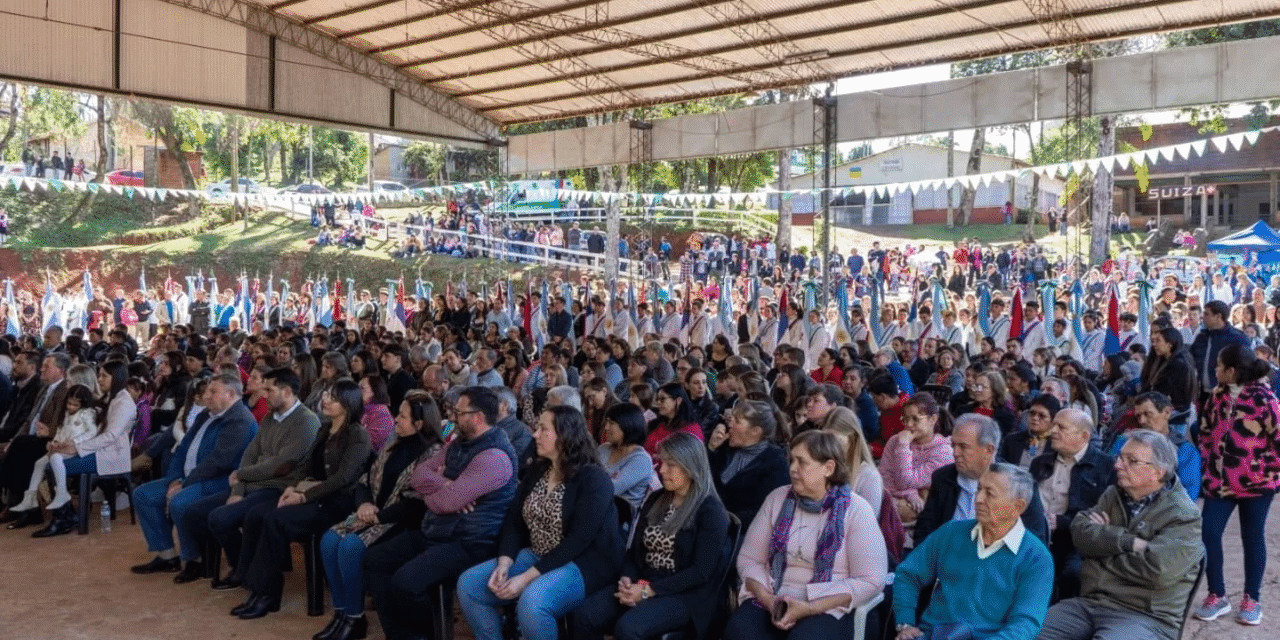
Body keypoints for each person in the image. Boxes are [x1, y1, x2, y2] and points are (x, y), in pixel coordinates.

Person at [363, 386, 519, 640]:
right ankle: (403, 634)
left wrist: (442, 490)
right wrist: (447, 484)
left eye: (459, 412)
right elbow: (418, 475)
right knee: (374, 560)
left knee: (406, 581)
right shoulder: (460, 443)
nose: (453, 417)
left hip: (471, 541)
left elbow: (444, 503)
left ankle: (425, 632)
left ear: (477, 417)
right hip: (438, 530)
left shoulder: (494, 457)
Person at [456, 405, 624, 640]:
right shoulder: (538, 469)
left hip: (583, 563)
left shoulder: (594, 479)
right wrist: (504, 563)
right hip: (539, 554)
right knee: (469, 586)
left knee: (533, 601)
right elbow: (515, 520)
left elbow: (579, 541)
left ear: (565, 435)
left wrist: (524, 579)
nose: (535, 434)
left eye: (543, 429)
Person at [1036, 430, 1202, 640]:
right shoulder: (1114, 495)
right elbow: (1079, 532)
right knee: (1026, 631)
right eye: (1120, 457)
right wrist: (1128, 542)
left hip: (1146, 616)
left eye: (1131, 461)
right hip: (1091, 603)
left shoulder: (1183, 514)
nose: (1117, 465)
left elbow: (1160, 572)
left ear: (1158, 472)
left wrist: (1100, 554)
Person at [229, 378, 371, 619]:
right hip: (314, 495)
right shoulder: (325, 428)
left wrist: (303, 496)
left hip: (337, 503)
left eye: (333, 398)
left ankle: (266, 594)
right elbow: (308, 466)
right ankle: (256, 587)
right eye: (326, 394)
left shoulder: (358, 435)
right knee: (257, 515)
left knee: (275, 520)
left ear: (347, 404)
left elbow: (343, 479)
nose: (325, 400)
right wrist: (292, 487)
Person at [727, 430, 888, 640]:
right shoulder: (777, 499)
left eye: (802, 462)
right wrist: (769, 600)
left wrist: (808, 608)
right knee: (739, 631)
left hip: (828, 606)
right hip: (773, 598)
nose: (792, 469)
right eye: (791, 460)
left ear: (829, 468)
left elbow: (871, 579)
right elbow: (749, 559)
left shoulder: (856, 510)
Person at [572, 432, 730, 640]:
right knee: (585, 615)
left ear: (692, 468)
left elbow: (700, 572)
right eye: (662, 462)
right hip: (644, 581)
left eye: (671, 464)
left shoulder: (710, 511)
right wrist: (627, 579)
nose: (661, 470)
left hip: (684, 594)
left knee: (628, 628)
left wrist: (648, 591)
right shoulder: (657, 498)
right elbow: (635, 551)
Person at [315, 391, 445, 640]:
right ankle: (341, 613)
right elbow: (365, 479)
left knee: (351, 547)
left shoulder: (433, 453)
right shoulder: (393, 444)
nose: (396, 419)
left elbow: (417, 503)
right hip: (373, 512)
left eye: (403, 416)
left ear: (419, 423)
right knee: (329, 540)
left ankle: (355, 619)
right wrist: (364, 503)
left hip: (402, 522)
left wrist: (379, 516)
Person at [894, 464, 1055, 640]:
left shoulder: (1037, 558)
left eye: (989, 493)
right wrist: (905, 622)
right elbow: (908, 575)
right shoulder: (951, 533)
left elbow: (1026, 624)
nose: (978, 499)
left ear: (1018, 507)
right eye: (979, 489)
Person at [128, 374, 257, 580]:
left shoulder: (239, 420)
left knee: (181, 502)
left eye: (212, 392)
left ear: (230, 394)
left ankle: (193, 558)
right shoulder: (206, 415)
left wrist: (184, 484)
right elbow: (182, 447)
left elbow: (219, 462)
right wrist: (174, 479)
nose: (206, 396)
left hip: (220, 482)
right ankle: (167, 555)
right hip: (188, 478)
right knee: (144, 494)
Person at [204, 368, 322, 589]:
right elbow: (251, 453)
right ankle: (241, 564)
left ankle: (244, 570)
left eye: (269, 389)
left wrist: (241, 475)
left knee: (224, 517)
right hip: (252, 484)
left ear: (287, 392)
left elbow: (280, 465)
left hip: (278, 488)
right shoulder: (270, 417)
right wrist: (238, 489)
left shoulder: (306, 421)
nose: (264, 394)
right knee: (205, 512)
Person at [1194, 343, 1280, 625]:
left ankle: (1251, 599)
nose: (1215, 370)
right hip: (1219, 484)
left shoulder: (1265, 398)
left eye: (1219, 366)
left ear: (1231, 371)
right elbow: (1205, 432)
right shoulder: (1217, 395)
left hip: (1257, 485)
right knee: (1208, 531)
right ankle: (1217, 595)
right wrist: (1209, 465)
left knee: (1252, 537)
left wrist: (1269, 471)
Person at [914, 413, 1050, 547]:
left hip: (996, 563)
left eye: (963, 447)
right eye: (953, 445)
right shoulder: (943, 478)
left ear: (988, 450)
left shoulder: (1019, 484)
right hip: (945, 560)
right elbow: (924, 531)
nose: (955, 453)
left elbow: (1035, 543)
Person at [33, 360, 134, 537]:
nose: (99, 379)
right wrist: (67, 443)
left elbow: (110, 436)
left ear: (116, 378)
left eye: (104, 376)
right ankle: (67, 514)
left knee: (53, 466)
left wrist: (77, 448)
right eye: (99, 374)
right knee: (51, 458)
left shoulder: (123, 402)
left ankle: (64, 518)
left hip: (110, 455)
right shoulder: (110, 397)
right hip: (98, 450)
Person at [1029, 408, 1115, 601]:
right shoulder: (1040, 463)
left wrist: (1063, 522)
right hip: (1037, 535)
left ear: (1084, 436)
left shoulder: (1105, 467)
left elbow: (1103, 518)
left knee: (1072, 574)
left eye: (1061, 427)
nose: (1053, 431)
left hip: (1076, 542)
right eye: (1054, 426)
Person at [706, 399, 791, 529]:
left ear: (755, 431)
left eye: (737, 421)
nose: (730, 425)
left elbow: (762, 512)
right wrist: (711, 449)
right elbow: (705, 480)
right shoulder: (725, 447)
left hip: (736, 533)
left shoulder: (775, 463)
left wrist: (722, 520)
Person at [880, 393, 953, 523]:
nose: (909, 424)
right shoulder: (895, 441)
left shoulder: (944, 452)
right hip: (891, 500)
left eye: (915, 419)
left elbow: (905, 482)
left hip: (923, 514)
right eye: (905, 419)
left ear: (932, 419)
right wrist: (911, 494)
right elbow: (885, 478)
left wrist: (904, 446)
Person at [598, 403, 657, 512]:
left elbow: (610, 489)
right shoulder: (604, 449)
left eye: (611, 423)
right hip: (597, 508)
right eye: (606, 422)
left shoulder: (640, 460)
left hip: (619, 518)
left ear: (628, 425)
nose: (606, 428)